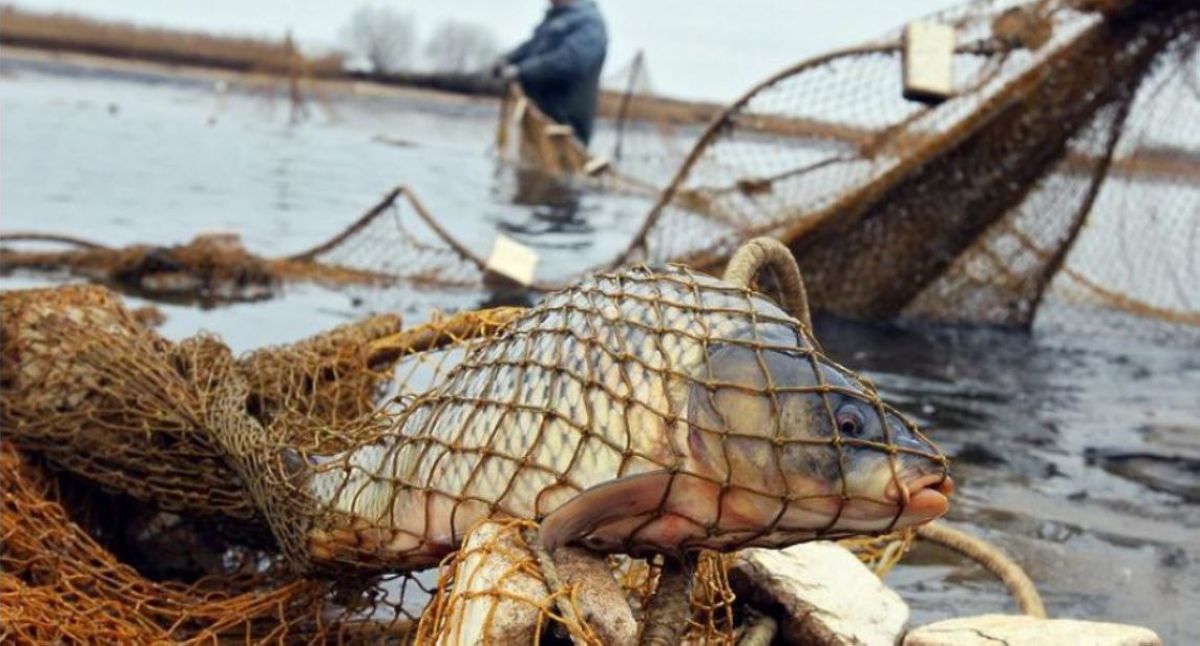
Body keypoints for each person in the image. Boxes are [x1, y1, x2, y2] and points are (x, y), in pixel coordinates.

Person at [495, 1, 608, 146]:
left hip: (565, 124)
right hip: (538, 117)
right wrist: (507, 59)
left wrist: (521, 71)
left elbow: (571, 60)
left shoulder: (590, 22)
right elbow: (531, 47)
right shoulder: (554, 20)